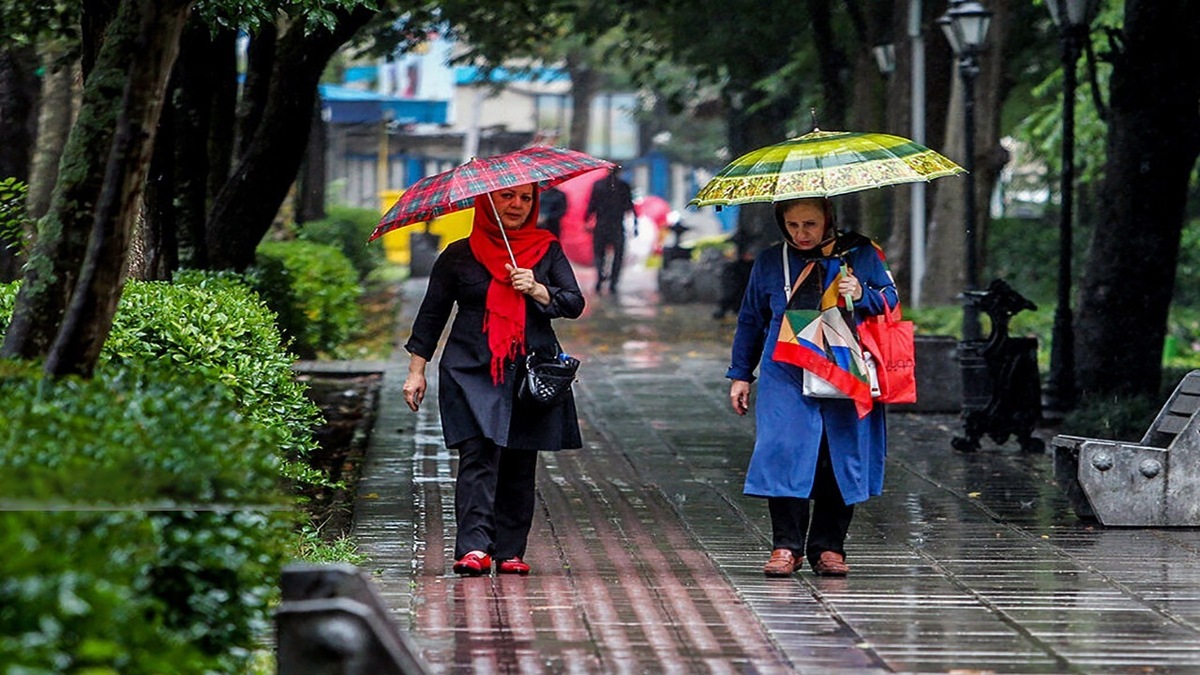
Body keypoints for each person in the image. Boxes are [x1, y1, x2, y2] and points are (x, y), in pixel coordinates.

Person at [402, 183, 585, 577]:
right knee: (478, 454)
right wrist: (416, 371)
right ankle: (473, 548)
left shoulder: (546, 248)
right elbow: (432, 315)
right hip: (469, 370)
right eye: (507, 197)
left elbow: (573, 302)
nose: (517, 205)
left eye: (526, 198)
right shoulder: (458, 256)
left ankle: (509, 550)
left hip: (528, 372)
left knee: (520, 458)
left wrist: (537, 288)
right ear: (487, 202)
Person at [726, 196, 897, 578]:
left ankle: (830, 547)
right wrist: (741, 374)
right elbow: (751, 318)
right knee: (784, 450)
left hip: (846, 367)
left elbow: (890, 299)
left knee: (839, 453)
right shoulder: (772, 261)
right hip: (783, 369)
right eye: (793, 226)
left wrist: (862, 294)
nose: (801, 234)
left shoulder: (861, 253)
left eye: (810, 225)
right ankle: (786, 546)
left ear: (828, 220)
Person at [585, 171, 635, 294]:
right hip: (617, 225)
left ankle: (600, 278)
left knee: (599, 254)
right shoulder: (624, 186)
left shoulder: (598, 185)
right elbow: (629, 207)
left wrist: (585, 219)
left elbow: (591, 206)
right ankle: (613, 283)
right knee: (618, 255)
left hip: (601, 225)